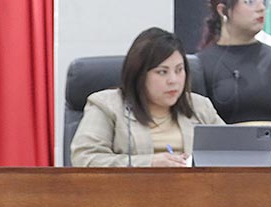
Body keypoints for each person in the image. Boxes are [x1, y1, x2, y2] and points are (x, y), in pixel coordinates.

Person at [72, 28, 223, 167]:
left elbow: (232, 154)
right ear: (139, 74)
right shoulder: (107, 105)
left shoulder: (199, 106)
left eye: (179, 70)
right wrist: (149, 163)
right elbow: (85, 158)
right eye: (162, 72)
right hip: (129, 193)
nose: (174, 80)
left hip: (194, 192)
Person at [198, 0, 271, 165]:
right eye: (249, 2)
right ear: (222, 10)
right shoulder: (200, 64)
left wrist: (269, 157)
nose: (261, 8)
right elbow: (197, 123)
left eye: (263, 2)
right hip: (221, 167)